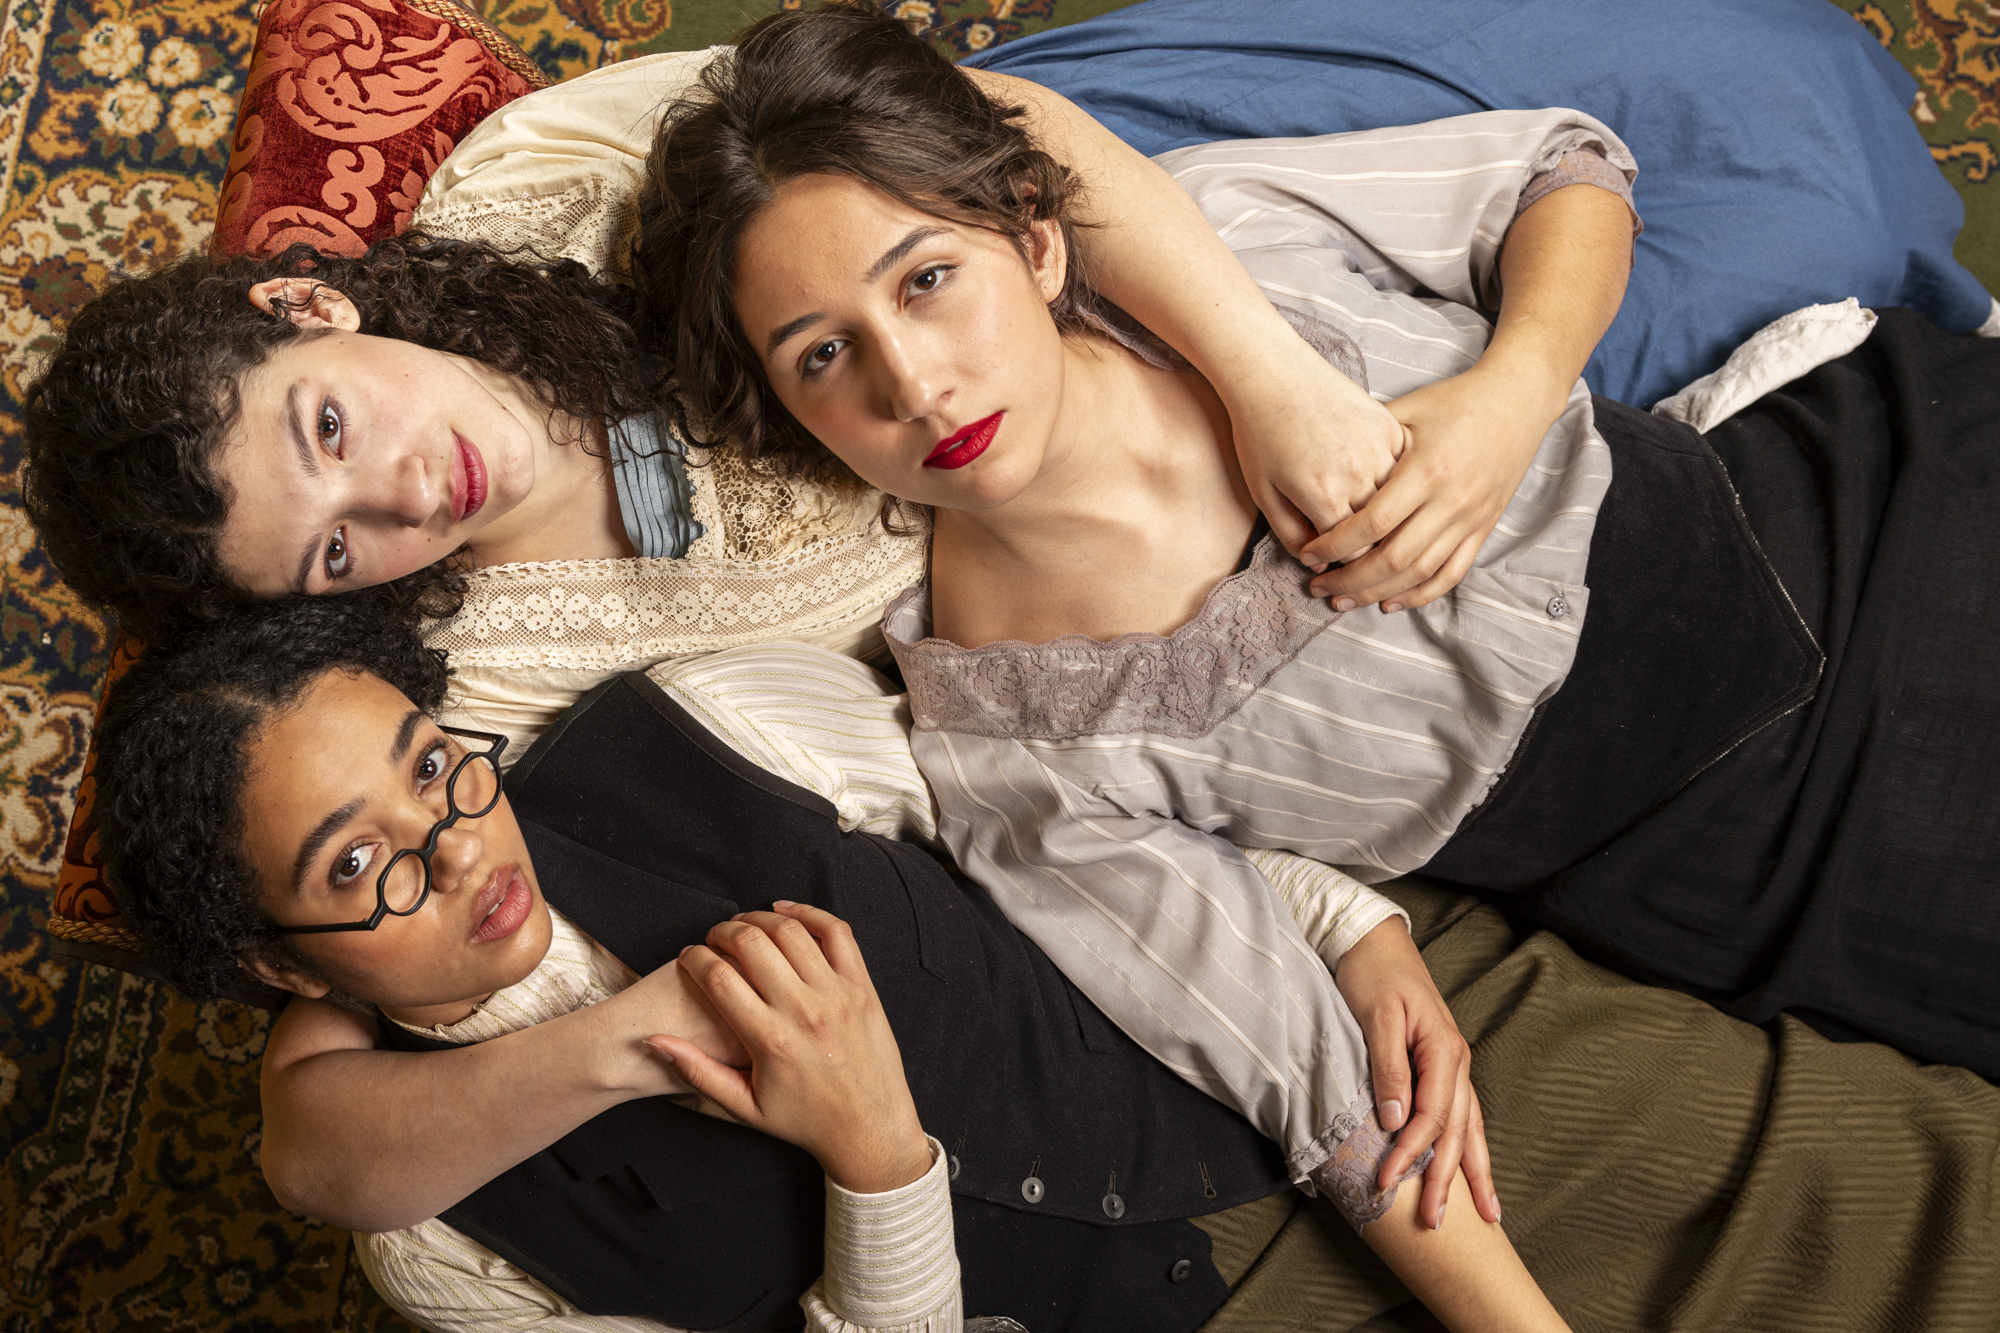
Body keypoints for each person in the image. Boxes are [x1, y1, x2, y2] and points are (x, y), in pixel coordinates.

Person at [636, 4, 2000, 1080]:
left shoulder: (1227, 239)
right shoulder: (1006, 747)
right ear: (789, 415)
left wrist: (1508, 398)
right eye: (824, 356)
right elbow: (1271, 1037)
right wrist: (1363, 945)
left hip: (1853, 506)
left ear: (1038, 245)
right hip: (1770, 859)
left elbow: (1563, 171)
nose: (915, 383)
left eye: (928, 281)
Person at [89, 591, 1572, 1332]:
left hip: (1378, 1086)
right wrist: (876, 1162)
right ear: (282, 969)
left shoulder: (701, 727)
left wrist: (1349, 924)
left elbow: (1084, 824)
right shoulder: (435, 1246)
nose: (460, 849)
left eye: (433, 769)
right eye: (358, 868)